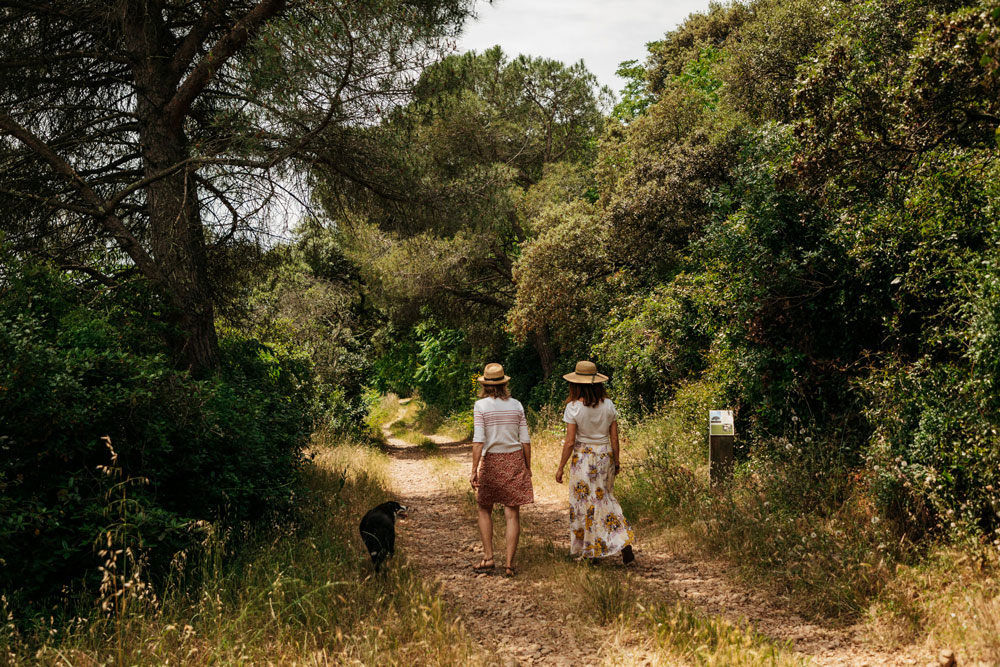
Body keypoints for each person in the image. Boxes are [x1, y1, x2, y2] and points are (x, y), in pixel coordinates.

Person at [555, 360, 635, 564]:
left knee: (584, 503)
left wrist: (560, 467)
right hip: (604, 456)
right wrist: (616, 460)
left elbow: (570, 441)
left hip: (583, 458)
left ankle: (591, 551)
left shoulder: (573, 407)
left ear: (576, 384)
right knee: (605, 499)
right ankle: (623, 541)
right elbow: (614, 438)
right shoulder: (608, 405)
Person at [469, 363, 533, 576]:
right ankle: (509, 565)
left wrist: (474, 469)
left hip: (493, 461)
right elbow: (525, 440)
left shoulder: (481, 406)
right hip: (514, 459)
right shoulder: (517, 405)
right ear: (505, 383)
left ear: (485, 385)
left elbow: (479, 440)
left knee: (484, 507)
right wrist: (527, 466)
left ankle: (488, 558)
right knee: (512, 512)